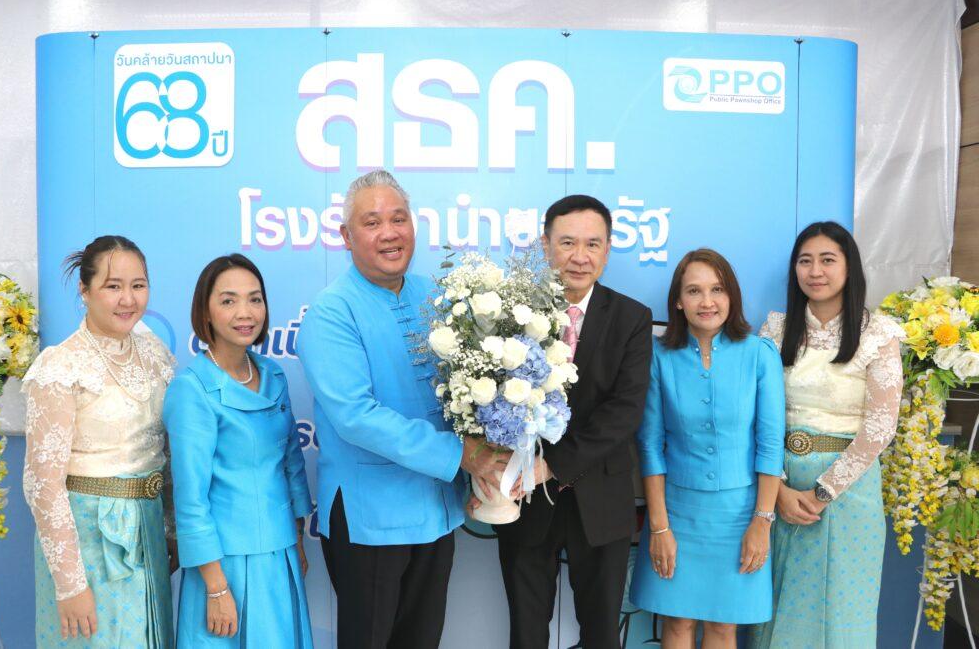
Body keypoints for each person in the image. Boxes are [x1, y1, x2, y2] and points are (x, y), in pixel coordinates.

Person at [296, 170, 503, 649]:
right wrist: (461, 456)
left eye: (399, 218)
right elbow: (356, 417)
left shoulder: (435, 296)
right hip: (371, 515)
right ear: (346, 236)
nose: (389, 233)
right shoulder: (332, 312)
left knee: (422, 640)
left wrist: (476, 478)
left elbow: (460, 401)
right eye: (372, 222)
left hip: (436, 508)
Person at [487, 194, 653, 649]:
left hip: (600, 498)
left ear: (607, 249)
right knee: (526, 633)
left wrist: (554, 466)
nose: (580, 256)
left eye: (592, 244)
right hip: (525, 500)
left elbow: (625, 411)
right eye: (567, 243)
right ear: (545, 246)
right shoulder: (510, 313)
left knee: (601, 634)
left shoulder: (632, 318)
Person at [748, 222, 904, 649]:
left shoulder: (878, 333)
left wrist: (822, 493)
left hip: (847, 492)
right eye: (805, 261)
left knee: (840, 612)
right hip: (777, 488)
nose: (815, 271)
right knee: (776, 608)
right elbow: (756, 414)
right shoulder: (776, 330)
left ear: (849, 267)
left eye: (827, 260)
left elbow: (880, 427)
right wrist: (779, 490)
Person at [22, 235, 176, 647]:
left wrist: (171, 530)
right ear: (85, 290)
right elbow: (43, 485)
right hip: (89, 541)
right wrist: (70, 584)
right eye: (113, 286)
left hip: (147, 533)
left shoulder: (155, 353)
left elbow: (165, 450)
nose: (128, 299)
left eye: (138, 285)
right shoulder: (60, 366)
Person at [630, 248, 785, 649]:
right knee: (677, 622)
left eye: (717, 289)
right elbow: (650, 445)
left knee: (723, 627)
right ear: (678, 302)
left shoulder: (759, 354)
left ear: (731, 296)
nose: (707, 301)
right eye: (694, 291)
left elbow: (770, 445)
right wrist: (659, 527)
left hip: (740, 515)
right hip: (676, 512)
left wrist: (762, 523)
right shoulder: (659, 356)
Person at [163, 254, 313, 648]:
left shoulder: (274, 374)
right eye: (228, 300)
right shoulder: (191, 389)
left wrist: (297, 538)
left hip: (280, 552)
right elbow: (190, 498)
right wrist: (215, 588)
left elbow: (291, 463)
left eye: (254, 299)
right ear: (205, 312)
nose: (245, 313)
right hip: (223, 563)